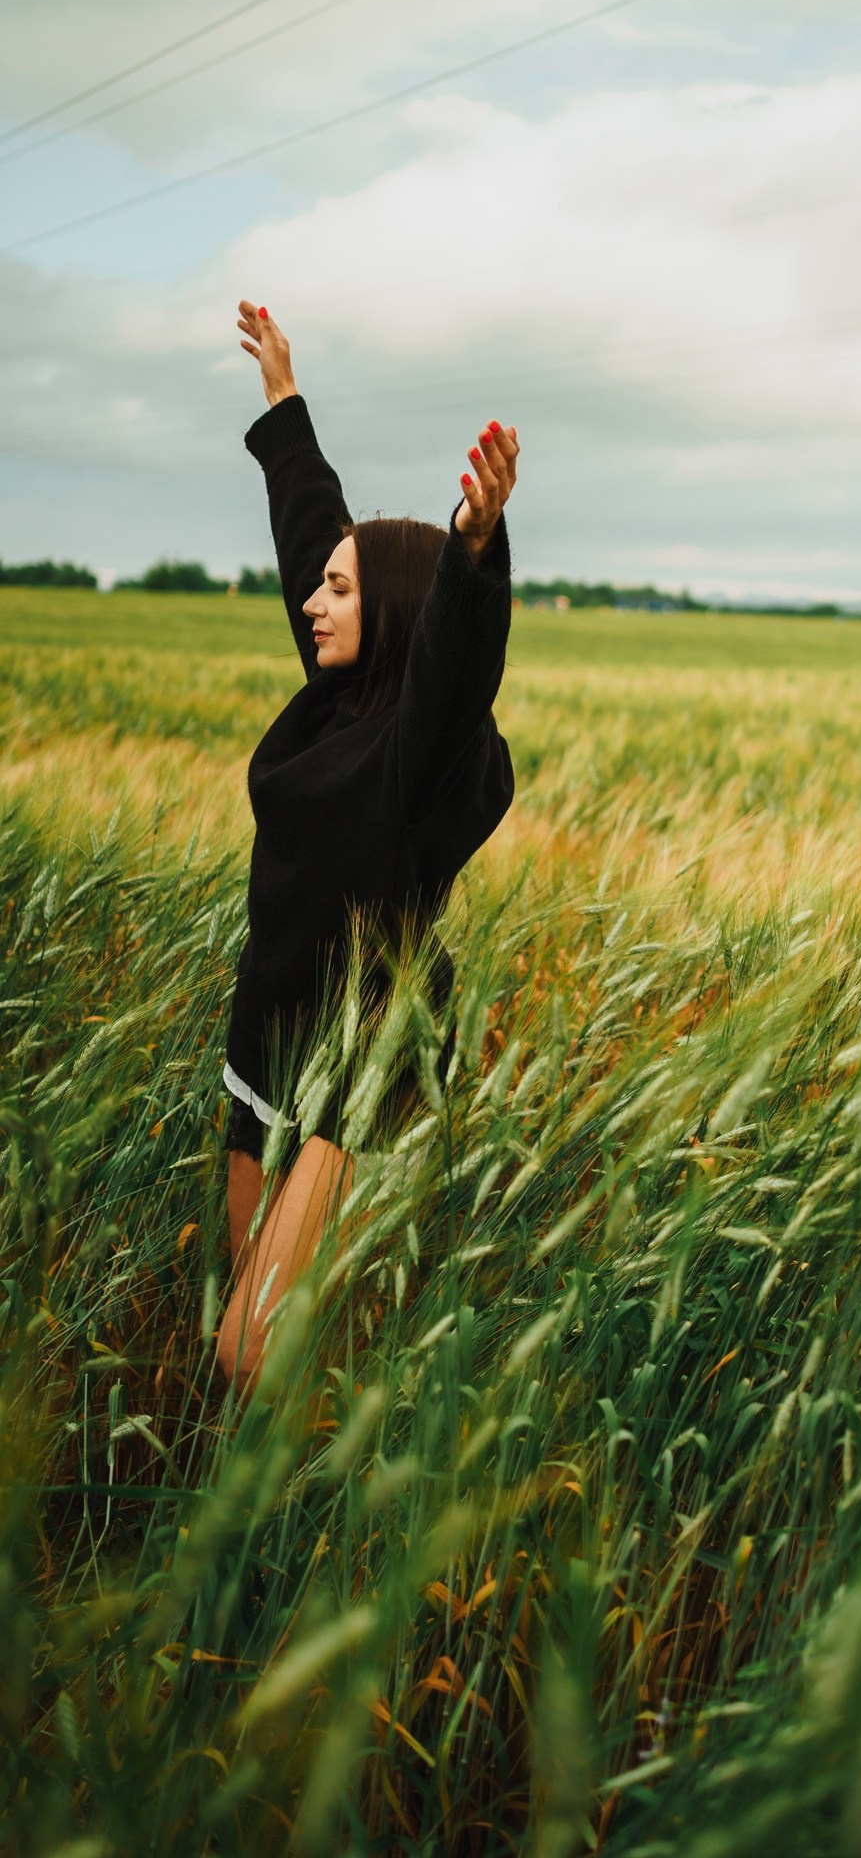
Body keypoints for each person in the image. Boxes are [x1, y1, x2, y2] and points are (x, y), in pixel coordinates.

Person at [216, 300, 518, 1390]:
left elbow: (455, 663)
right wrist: (285, 404)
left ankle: (308, 1517)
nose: (311, 600)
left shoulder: (419, 752)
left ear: (395, 611)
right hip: (264, 1048)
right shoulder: (334, 705)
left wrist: (475, 557)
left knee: (249, 1348)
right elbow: (312, 523)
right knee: (262, 1337)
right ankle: (281, 1520)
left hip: (358, 1061)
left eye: (342, 589)